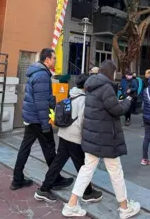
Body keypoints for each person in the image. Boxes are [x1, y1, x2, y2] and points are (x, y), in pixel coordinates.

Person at [62, 60, 140, 218]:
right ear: (110, 72)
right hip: (106, 137)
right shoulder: (106, 87)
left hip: (92, 135)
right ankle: (125, 208)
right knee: (116, 172)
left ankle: (71, 204)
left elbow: (104, 108)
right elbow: (117, 110)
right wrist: (128, 100)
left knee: (86, 169)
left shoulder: (91, 87)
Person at [35, 75, 103, 203]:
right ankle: (87, 193)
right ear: (87, 86)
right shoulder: (84, 100)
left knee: (57, 163)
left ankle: (43, 189)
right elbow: (84, 122)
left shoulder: (71, 95)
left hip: (64, 135)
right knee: (82, 166)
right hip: (75, 138)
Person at [11, 48, 72, 190]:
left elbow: (41, 97)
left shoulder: (37, 73)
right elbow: (40, 102)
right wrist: (45, 124)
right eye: (54, 58)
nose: (55, 61)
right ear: (47, 60)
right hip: (38, 119)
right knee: (49, 148)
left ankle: (17, 179)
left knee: (26, 148)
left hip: (32, 118)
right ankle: (55, 179)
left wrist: (51, 99)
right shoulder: (42, 76)